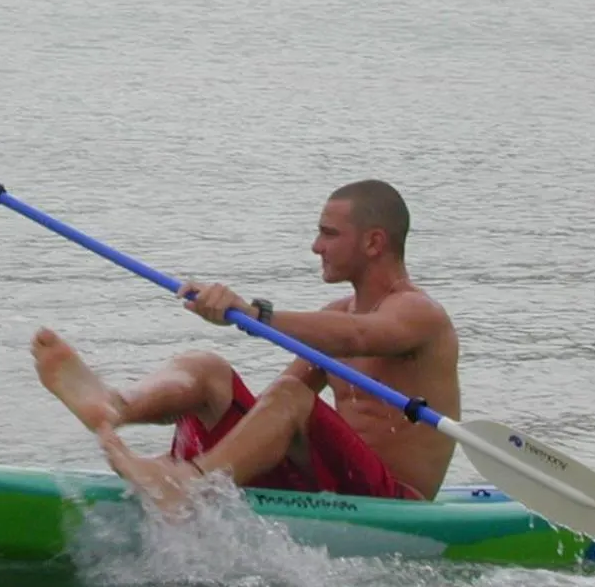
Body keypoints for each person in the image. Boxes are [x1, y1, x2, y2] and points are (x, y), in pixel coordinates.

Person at [30, 179, 460, 511]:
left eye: (329, 234)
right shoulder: (337, 313)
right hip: (332, 486)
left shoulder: (418, 312)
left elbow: (358, 337)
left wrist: (254, 313)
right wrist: (189, 444)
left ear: (373, 242)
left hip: (396, 502)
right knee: (208, 370)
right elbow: (268, 412)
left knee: (293, 395)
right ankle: (116, 406)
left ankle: (189, 483)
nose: (316, 246)